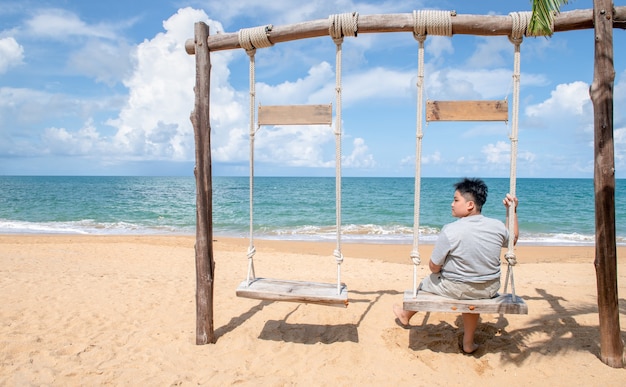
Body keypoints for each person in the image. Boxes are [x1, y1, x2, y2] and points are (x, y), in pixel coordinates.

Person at [393, 177, 518, 354]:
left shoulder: (451, 230)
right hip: (489, 289)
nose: (452, 204)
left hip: (457, 288)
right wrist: (511, 212)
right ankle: (468, 343)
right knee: (472, 297)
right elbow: (512, 240)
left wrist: (442, 269)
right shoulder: (496, 226)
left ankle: (405, 315)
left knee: (427, 282)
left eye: (456, 200)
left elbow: (434, 266)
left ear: (470, 205)